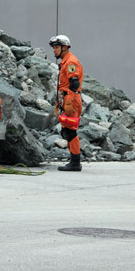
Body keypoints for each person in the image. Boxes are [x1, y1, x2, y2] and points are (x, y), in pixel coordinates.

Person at [50, 35, 84, 171]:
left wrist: (68, 102)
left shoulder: (70, 62)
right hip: (67, 98)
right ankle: (74, 160)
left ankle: (75, 162)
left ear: (65, 48)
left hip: (71, 99)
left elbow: (74, 83)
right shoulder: (66, 61)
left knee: (70, 131)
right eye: (53, 48)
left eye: (56, 47)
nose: (54, 51)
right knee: (66, 130)